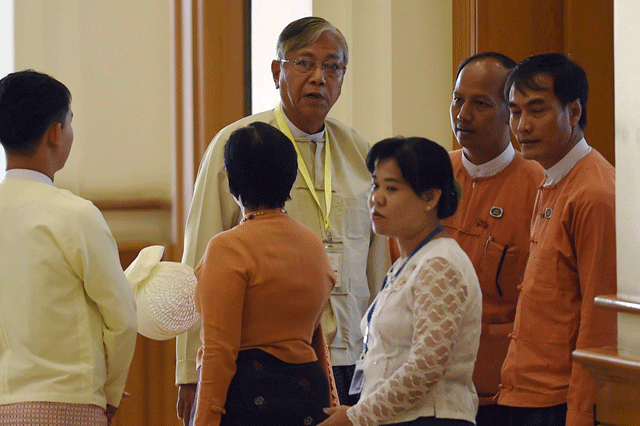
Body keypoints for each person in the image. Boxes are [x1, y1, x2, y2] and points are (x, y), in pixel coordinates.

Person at [176, 16, 391, 424]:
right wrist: (191, 372)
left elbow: (378, 260)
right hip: (262, 362)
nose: (319, 78)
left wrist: (380, 352)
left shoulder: (358, 150)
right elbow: (198, 261)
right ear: (278, 71)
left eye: (333, 66)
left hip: (354, 354)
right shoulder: (238, 142)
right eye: (305, 63)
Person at [0, 70, 137, 425]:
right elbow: (122, 319)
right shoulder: (74, 215)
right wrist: (108, 393)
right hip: (66, 405)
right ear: (55, 133)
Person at [321, 136, 482, 426]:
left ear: (430, 198)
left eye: (391, 188)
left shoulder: (440, 263)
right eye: (375, 185)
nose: (376, 198)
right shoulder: (408, 262)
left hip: (433, 418)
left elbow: (426, 367)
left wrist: (357, 417)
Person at [498, 53, 616, 426]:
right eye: (515, 112)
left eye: (537, 110)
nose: (522, 126)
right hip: (524, 392)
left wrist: (581, 412)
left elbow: (600, 319)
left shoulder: (595, 192)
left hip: (561, 402)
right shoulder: (550, 176)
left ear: (574, 111)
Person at [192, 122, 336, 426]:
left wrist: (203, 420)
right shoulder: (312, 243)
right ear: (290, 179)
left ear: (230, 182)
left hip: (252, 398)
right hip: (308, 395)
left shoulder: (227, 247)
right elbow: (316, 337)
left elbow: (219, 354)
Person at [441, 52, 544, 426]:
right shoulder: (431, 176)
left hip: (503, 394)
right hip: (431, 387)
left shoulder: (540, 187)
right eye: (457, 99)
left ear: (510, 113)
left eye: (480, 104)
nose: (462, 115)